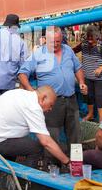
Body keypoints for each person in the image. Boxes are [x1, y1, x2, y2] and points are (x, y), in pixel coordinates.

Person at [18, 26, 87, 162]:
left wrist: (82, 82)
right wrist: (32, 92)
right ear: (45, 39)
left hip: (71, 99)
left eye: (57, 41)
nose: (55, 45)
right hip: (51, 103)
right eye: (52, 42)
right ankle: (52, 166)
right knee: (51, 135)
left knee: (75, 135)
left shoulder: (68, 50)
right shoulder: (39, 53)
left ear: (61, 39)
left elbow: (78, 68)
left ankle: (77, 164)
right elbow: (22, 74)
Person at [0, 86, 71, 169]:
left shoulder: (19, 93)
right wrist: (67, 162)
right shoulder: (34, 107)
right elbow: (46, 142)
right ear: (43, 98)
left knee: (22, 143)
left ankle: (6, 169)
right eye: (51, 105)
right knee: (36, 148)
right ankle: (24, 180)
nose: (50, 109)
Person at [72, 25, 102, 122]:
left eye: (92, 38)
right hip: (87, 76)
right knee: (88, 95)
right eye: (88, 38)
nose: (90, 41)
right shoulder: (84, 44)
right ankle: (90, 114)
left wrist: (101, 68)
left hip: (100, 78)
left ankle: (101, 119)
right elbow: (73, 50)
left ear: (97, 36)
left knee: (99, 96)